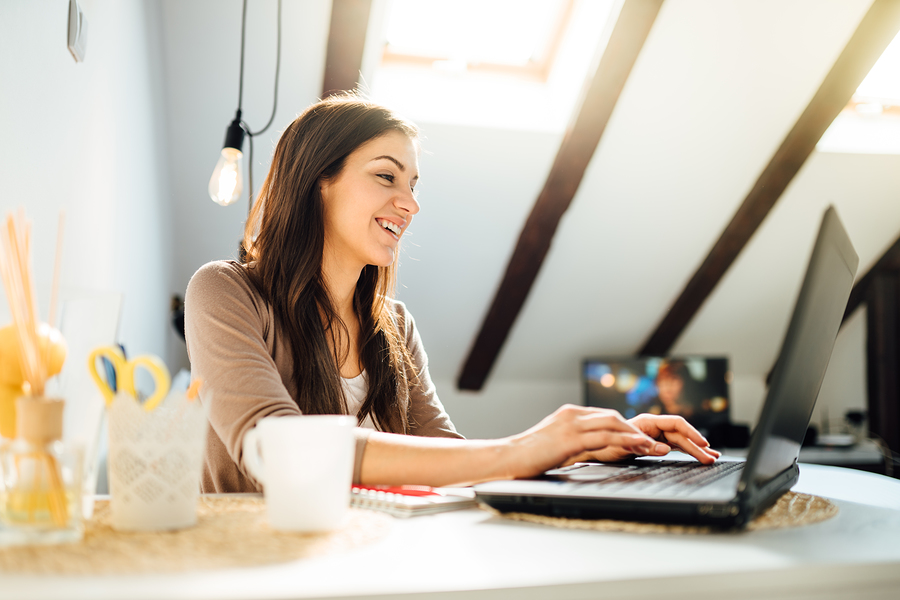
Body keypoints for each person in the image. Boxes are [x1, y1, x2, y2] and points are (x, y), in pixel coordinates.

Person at [184, 94, 720, 494]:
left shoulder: (394, 325)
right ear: (318, 180)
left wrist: (585, 451)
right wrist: (527, 447)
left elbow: (451, 462)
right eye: (386, 177)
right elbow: (276, 449)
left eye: (413, 185)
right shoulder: (225, 292)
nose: (409, 204)